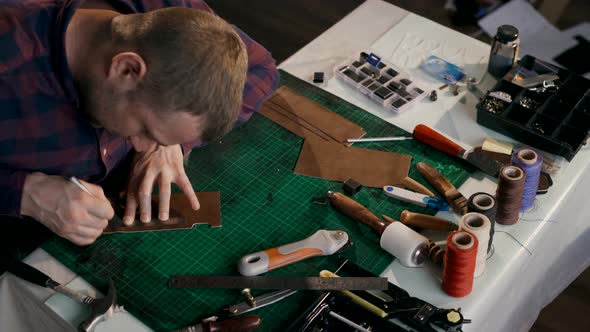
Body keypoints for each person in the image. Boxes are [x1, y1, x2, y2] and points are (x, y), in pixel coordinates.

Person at [0, 0, 279, 252]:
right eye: (146, 131)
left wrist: (173, 140)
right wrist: (27, 193)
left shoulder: (171, 16)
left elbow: (262, 70)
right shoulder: (10, 64)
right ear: (125, 69)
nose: (143, 146)